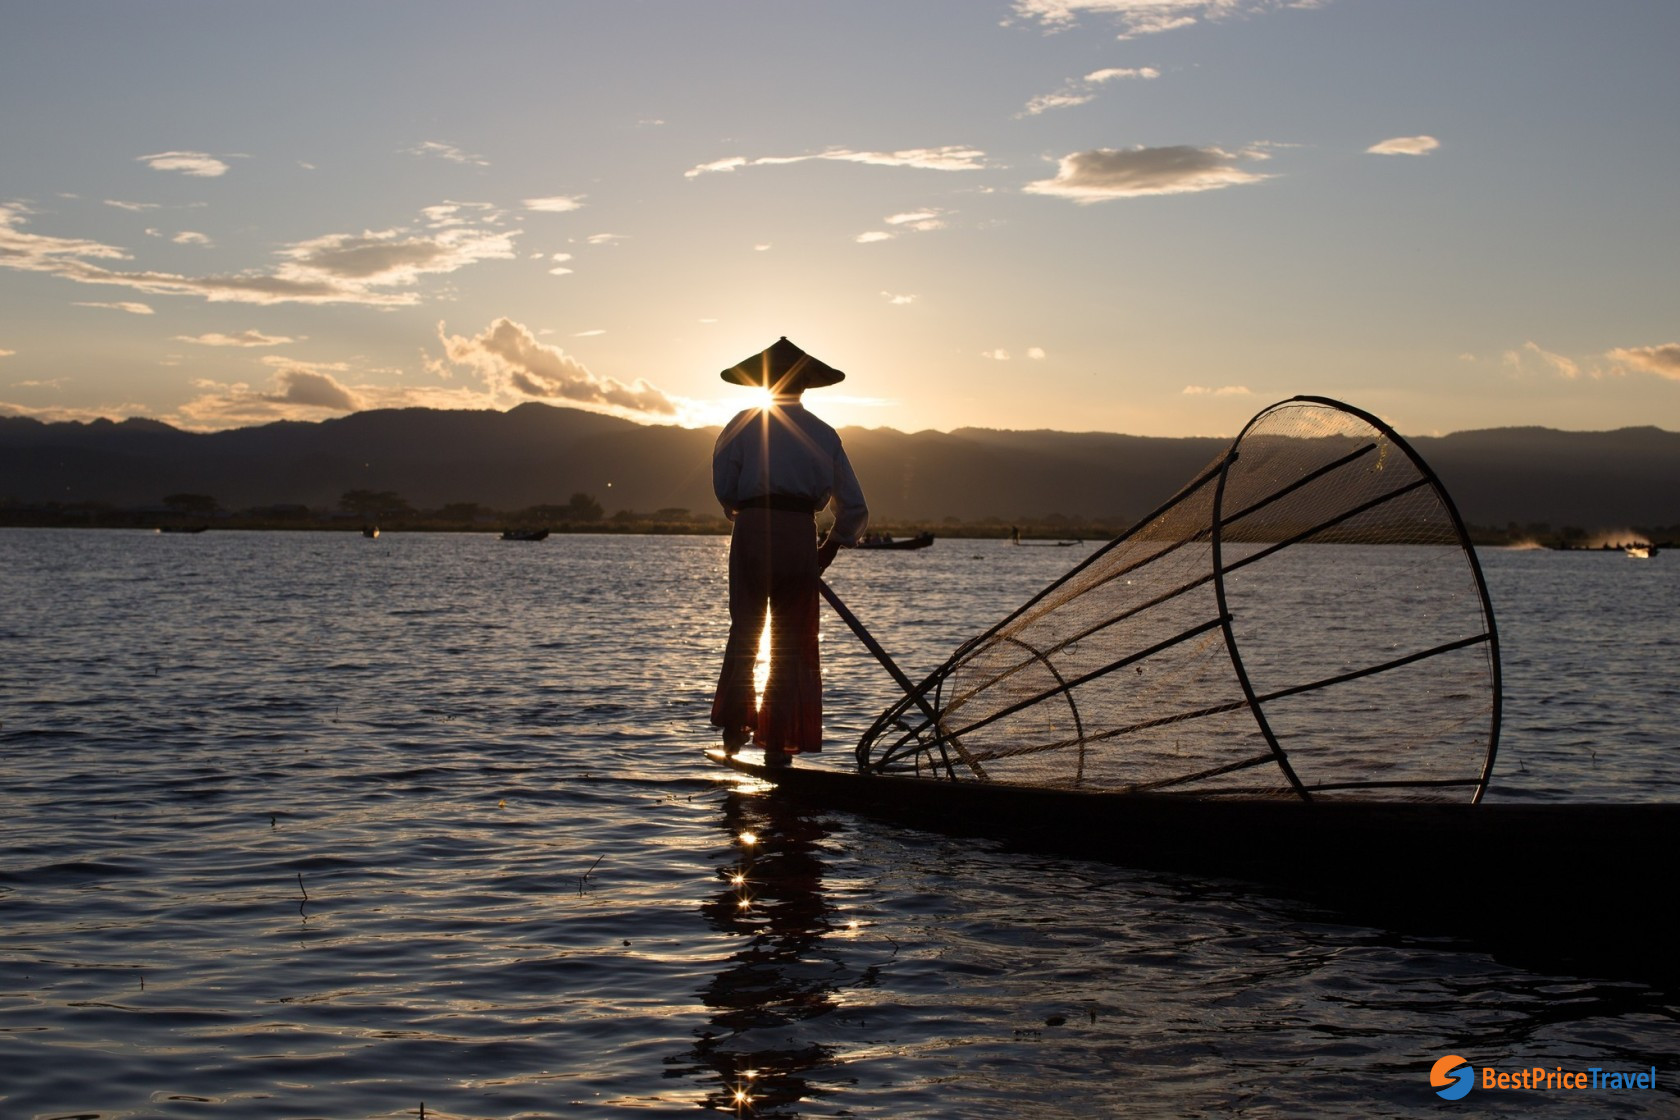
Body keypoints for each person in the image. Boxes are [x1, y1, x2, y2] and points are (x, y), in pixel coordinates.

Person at [711, 337, 868, 767]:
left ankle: (734, 730)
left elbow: (726, 490)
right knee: (791, 643)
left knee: (746, 630)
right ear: (804, 385)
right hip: (799, 535)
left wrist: (745, 515)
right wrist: (829, 546)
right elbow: (853, 507)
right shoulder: (822, 433)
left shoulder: (741, 424)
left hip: (752, 530)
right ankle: (779, 744)